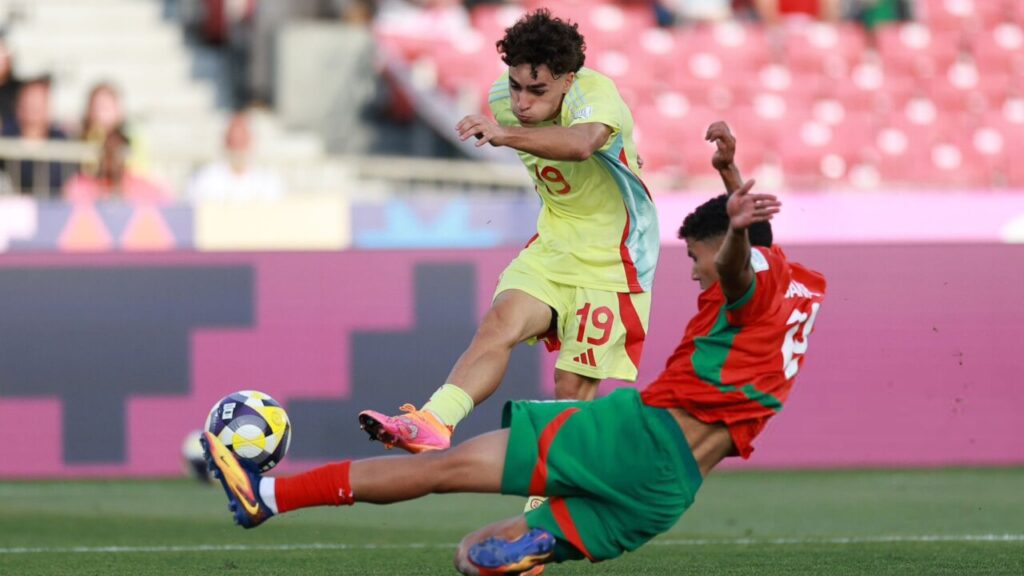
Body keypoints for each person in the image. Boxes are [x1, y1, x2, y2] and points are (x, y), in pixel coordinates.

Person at [202, 122, 827, 575]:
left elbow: (740, 271)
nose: (692, 274)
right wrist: (730, 180)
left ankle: (268, 497)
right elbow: (751, 251)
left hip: (634, 437)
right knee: (475, 553)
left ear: (723, 247)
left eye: (694, 259)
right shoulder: (803, 291)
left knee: (438, 471)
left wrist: (734, 232)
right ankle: (532, 547)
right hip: (669, 494)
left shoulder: (749, 278)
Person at [358, 8, 659, 458]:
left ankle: (554, 500)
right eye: (516, 86)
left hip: (615, 260)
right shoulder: (501, 99)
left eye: (537, 90)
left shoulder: (596, 93)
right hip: (554, 245)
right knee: (499, 323)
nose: (521, 102)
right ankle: (434, 421)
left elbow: (580, 145)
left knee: (570, 386)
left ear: (568, 80)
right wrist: (509, 128)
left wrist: (506, 135)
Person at [186, 110, 284, 202]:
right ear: (225, 141)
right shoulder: (205, 179)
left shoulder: (268, 182)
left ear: (251, 141)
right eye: (233, 140)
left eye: (242, 140)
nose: (237, 147)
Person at [1, 75, 73, 198]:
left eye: (38, 101)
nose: (33, 106)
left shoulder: (62, 140)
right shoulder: (5, 136)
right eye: (29, 100)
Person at [63, 126, 170, 203]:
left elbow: (166, 199)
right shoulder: (81, 186)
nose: (112, 157)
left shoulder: (142, 186)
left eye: (118, 151)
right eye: (108, 151)